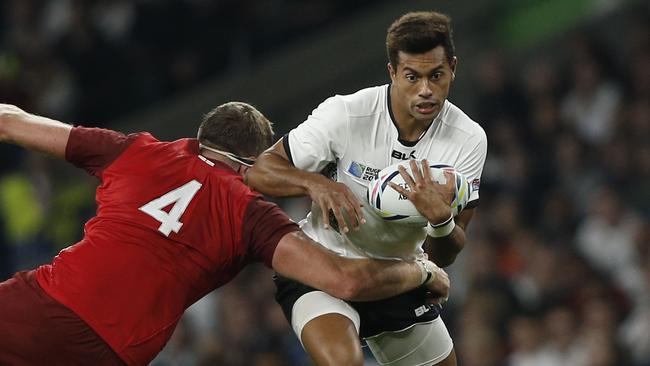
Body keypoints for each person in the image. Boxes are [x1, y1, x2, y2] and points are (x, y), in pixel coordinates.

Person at [0, 101, 450, 366]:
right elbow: (346, 281)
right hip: (111, 350)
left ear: (200, 139)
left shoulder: (137, 150)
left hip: (36, 305)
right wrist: (422, 272)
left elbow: (9, 120)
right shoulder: (249, 212)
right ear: (253, 165)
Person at [247, 10, 488, 366]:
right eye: (412, 77)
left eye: (436, 75)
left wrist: (441, 222)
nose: (426, 90)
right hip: (323, 265)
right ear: (392, 73)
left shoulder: (468, 140)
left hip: (395, 277)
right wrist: (315, 184)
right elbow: (261, 170)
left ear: (453, 67)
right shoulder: (347, 115)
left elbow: (445, 255)